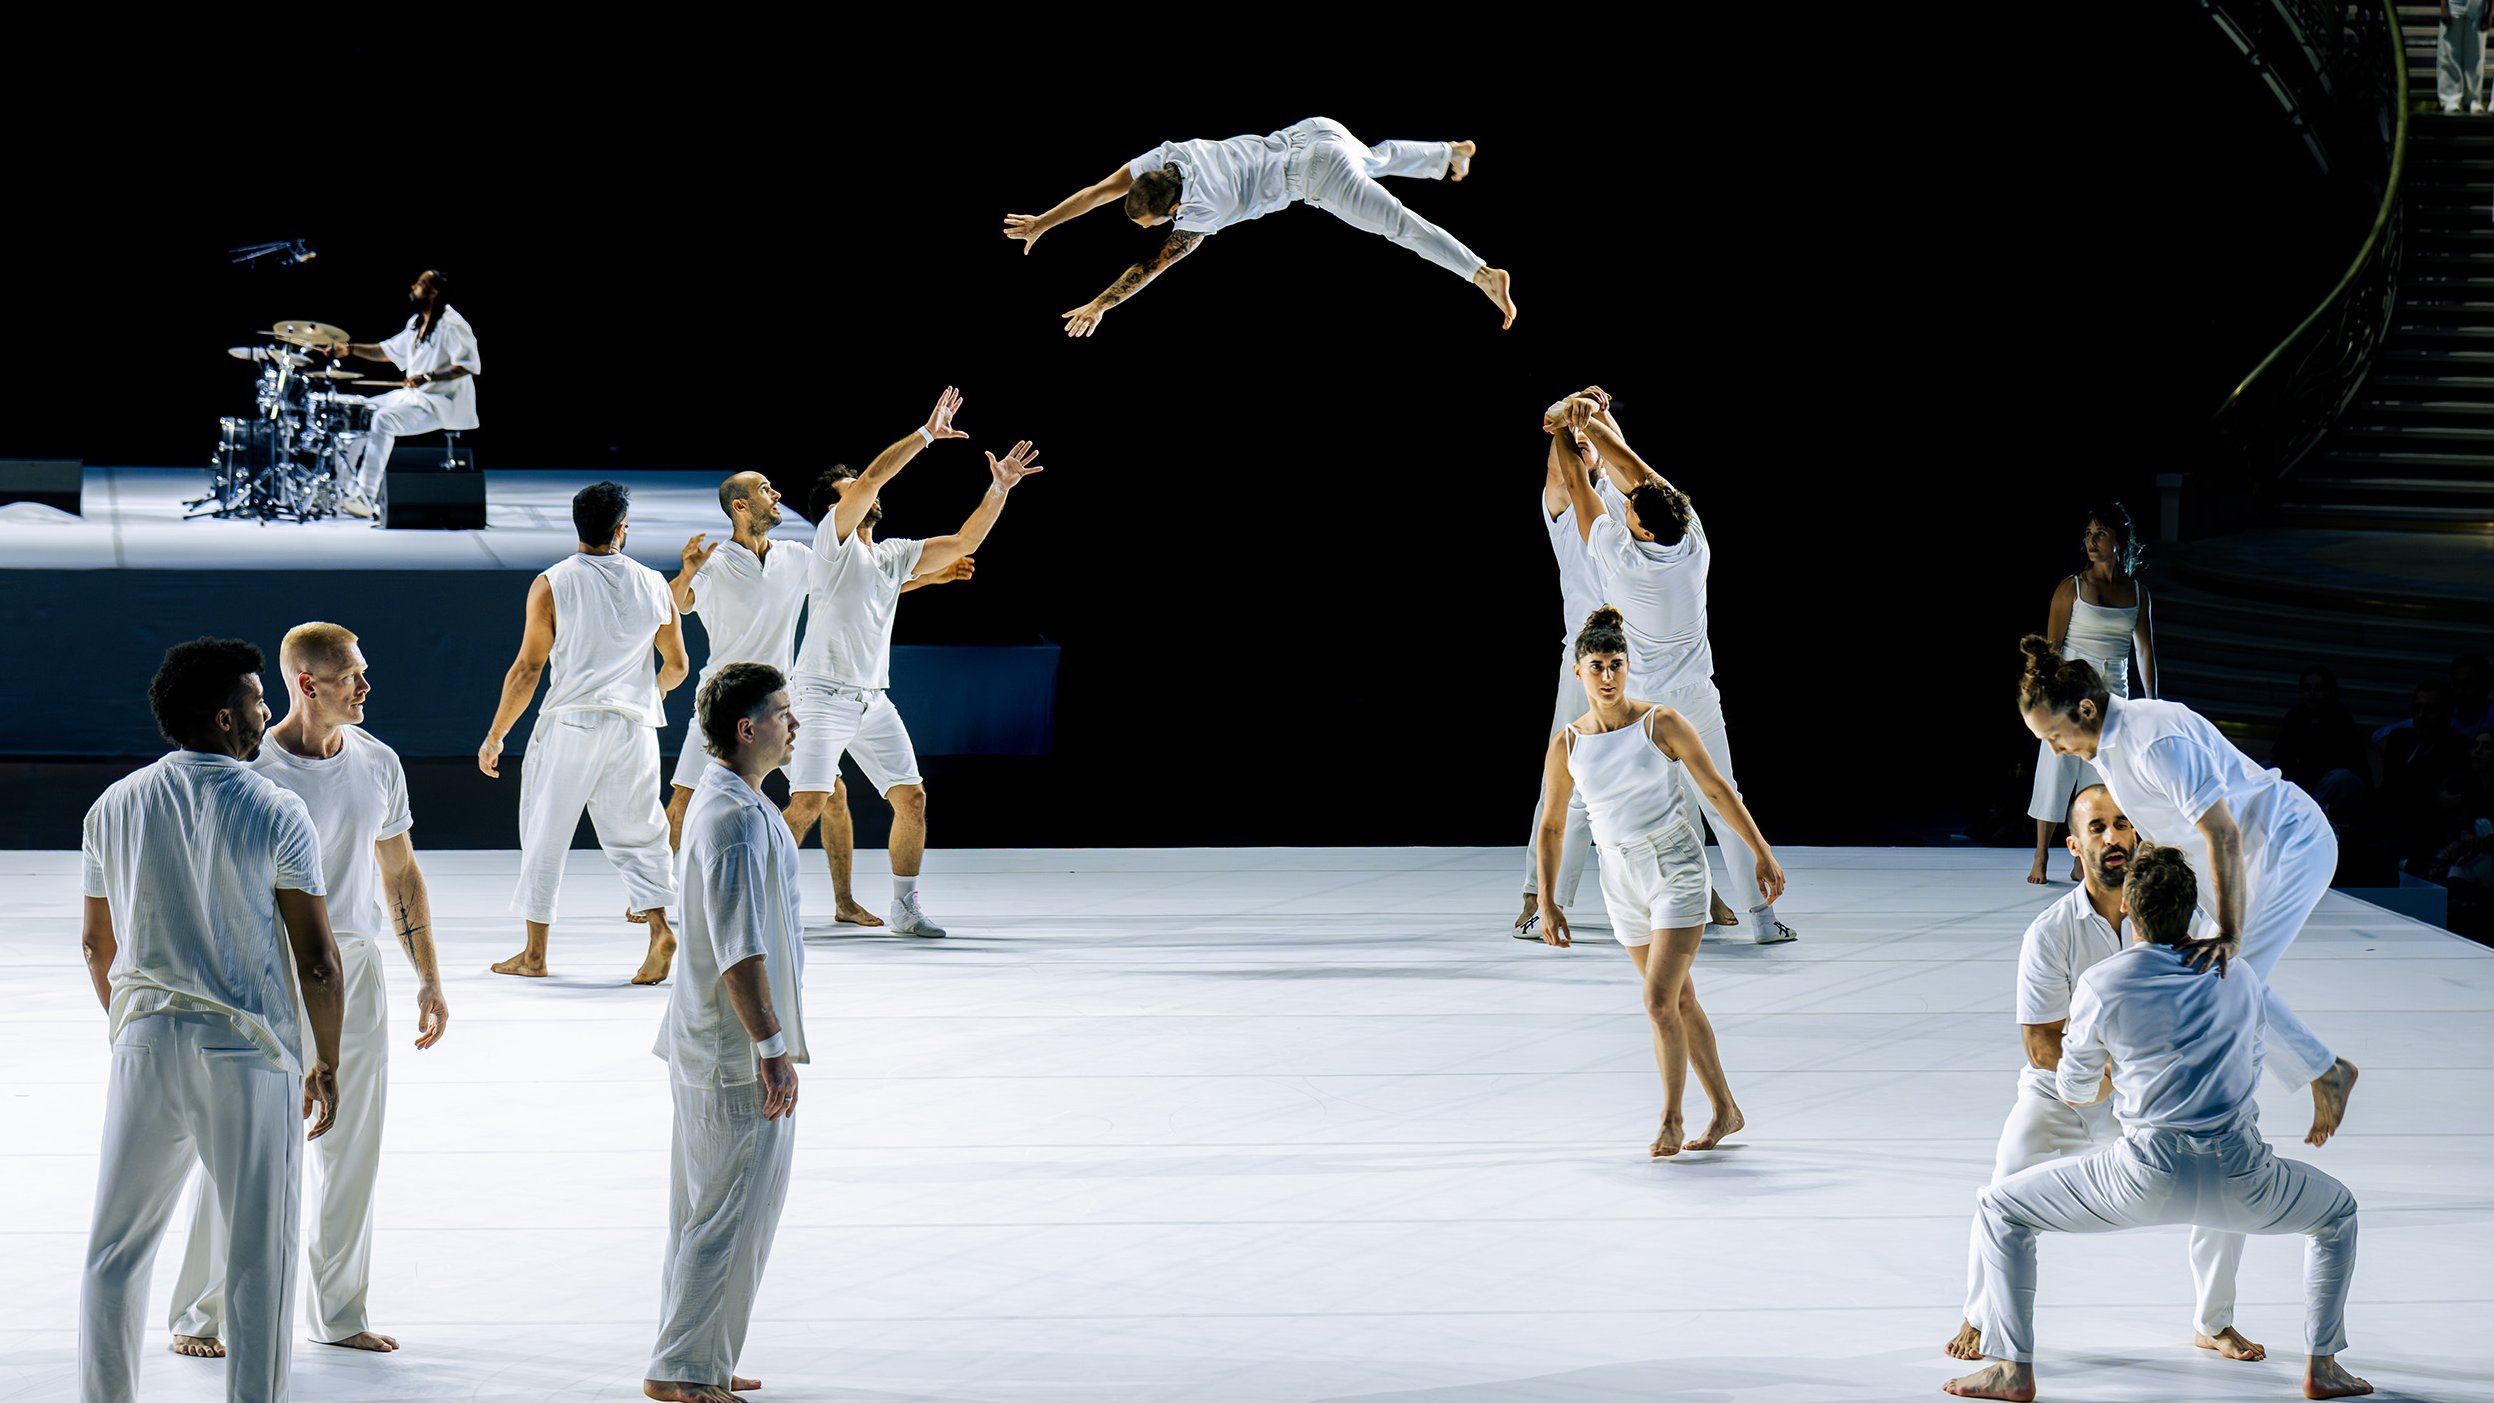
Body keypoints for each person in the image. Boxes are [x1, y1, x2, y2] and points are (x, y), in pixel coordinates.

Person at [1944, 845, 2371, 1402]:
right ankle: (2323, 1367)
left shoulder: (2104, 981)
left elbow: (2073, 1090)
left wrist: (2124, 1074)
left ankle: (2013, 1368)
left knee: (2000, 1207)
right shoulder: (2236, 974)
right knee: (2337, 1214)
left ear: (2131, 909)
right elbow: (2254, 1060)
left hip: (2141, 1176)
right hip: (2243, 1176)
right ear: (2191, 909)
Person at [167, 623, 447, 1360]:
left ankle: (340, 1309)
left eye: (363, 671)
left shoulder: (378, 762)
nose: (365, 686)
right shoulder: (250, 768)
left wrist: (429, 977)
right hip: (265, 970)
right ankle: (199, 1311)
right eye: (351, 675)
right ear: (306, 683)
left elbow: (400, 873)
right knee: (244, 1141)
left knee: (353, 1146)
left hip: (355, 966)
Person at [77, 637, 346, 1403]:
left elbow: (99, 944)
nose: (268, 710)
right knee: (260, 1253)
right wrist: (326, 1059)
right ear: (227, 718)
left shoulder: (113, 806)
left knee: (115, 1250)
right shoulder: (275, 806)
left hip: (145, 1042)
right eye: (259, 699)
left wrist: (133, 1028)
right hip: (247, 1050)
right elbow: (319, 958)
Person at [1943, 785, 2259, 1367]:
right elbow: (2041, 1046)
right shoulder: (2051, 930)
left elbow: (2218, 1013)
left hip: (2152, 1100)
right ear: (2073, 845)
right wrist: (2120, 1070)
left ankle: (2214, 1321)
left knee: (2225, 1172)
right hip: (2061, 1096)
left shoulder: (2193, 920)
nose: (2113, 837)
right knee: (2005, 1177)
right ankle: (1980, 1313)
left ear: (2137, 836)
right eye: (2097, 828)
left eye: (2121, 825)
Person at [2017, 637, 2359, 1144]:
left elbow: (2223, 831)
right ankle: (2321, 1071)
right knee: (2211, 974)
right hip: (2235, 862)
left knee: (2227, 975)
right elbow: (2160, 832)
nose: (2053, 748)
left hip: (2288, 847)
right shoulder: (2107, 750)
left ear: (2086, 709)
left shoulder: (2152, 737)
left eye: (2053, 735)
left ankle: (2266, 1104)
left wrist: (2228, 931)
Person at [784, 390, 1046, 938]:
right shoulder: (832, 546)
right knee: (808, 801)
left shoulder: (892, 555)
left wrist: (999, 489)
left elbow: (963, 540)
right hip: (819, 695)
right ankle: (748, 896)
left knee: (912, 797)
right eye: (850, 489)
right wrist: (927, 434)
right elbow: (875, 478)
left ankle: (905, 906)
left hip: (872, 699)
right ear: (835, 507)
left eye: (858, 487)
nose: (862, 491)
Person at [1532, 606, 1787, 1157]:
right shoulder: (1567, 744)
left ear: (1629, 668)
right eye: (1596, 666)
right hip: (1618, 877)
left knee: (1656, 1002)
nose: (1606, 677)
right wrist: (1547, 901)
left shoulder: (1660, 723)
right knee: (1680, 998)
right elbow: (1552, 825)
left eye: (1616, 665)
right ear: (1578, 672)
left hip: (1675, 866)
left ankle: (1671, 1117)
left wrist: (1760, 851)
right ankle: (1727, 1109)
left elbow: (1717, 791)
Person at [667, 469, 971, 927]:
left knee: (832, 795)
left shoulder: (795, 556)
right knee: (684, 800)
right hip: (721, 698)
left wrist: (929, 580)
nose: (777, 494)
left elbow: (855, 586)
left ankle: (844, 902)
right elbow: (671, 607)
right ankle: (653, 895)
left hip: (778, 701)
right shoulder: (714, 561)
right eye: (766, 491)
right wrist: (686, 572)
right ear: (740, 507)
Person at [1550, 393, 1797, 944]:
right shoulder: (1692, 540)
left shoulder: (1622, 554)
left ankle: (1564, 906)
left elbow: (1582, 484)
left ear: (1637, 529)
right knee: (1721, 794)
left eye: (1631, 510)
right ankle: (1761, 921)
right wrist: (1598, 422)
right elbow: (1635, 470)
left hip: (1647, 709)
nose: (1629, 504)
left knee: (1599, 802)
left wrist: (1565, 430)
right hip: (1697, 695)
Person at [644, 664, 808, 1403]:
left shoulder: (732, 802)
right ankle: (680, 1368)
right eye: (782, 712)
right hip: (731, 1054)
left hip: (711, 1046)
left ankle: (698, 1351)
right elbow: (740, 952)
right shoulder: (735, 819)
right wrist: (772, 1050)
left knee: (709, 1209)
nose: (793, 723)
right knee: (728, 1209)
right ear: (747, 729)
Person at [1003, 116, 1515, 335]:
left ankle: (1481, 274)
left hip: (1314, 174)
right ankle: (1450, 153)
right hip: (1316, 131)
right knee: (1374, 159)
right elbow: (1099, 192)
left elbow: (1150, 266)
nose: (1152, 230)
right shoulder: (1167, 157)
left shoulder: (1201, 212)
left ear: (1174, 211)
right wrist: (1043, 224)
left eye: (1154, 223)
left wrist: (1098, 304)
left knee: (1400, 225)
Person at [480, 481, 686, 982]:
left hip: (571, 723)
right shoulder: (655, 584)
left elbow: (527, 669)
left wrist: (495, 735)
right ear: (622, 529)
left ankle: (534, 954)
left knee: (545, 832)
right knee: (640, 834)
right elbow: (677, 666)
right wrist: (646, 694)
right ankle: (659, 927)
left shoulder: (552, 582)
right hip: (635, 727)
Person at [2024, 503, 2156, 885]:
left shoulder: (2137, 593)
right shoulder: (2072, 588)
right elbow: (2051, 646)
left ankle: (2084, 857)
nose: (2091, 542)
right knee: (2055, 770)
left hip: (2113, 692)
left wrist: (2151, 700)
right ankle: (2041, 854)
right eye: (2088, 534)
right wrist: (2045, 696)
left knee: (2100, 776)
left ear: (2119, 541)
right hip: (2069, 692)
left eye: (2100, 534)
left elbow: (2145, 652)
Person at [328, 269, 479, 516]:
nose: (413, 287)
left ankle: (366, 495)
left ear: (434, 291)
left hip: (441, 402)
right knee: (360, 411)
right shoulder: (416, 324)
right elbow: (386, 351)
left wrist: (428, 376)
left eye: (420, 284)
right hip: (414, 398)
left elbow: (467, 365)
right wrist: (350, 350)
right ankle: (345, 490)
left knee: (384, 420)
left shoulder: (452, 325)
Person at [2441, 0, 2493, 114]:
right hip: (2454, 4)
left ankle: (2474, 99)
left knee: (2476, 56)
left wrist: (2490, 11)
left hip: (2478, 6)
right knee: (2450, 53)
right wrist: (2443, 6)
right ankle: (2450, 98)